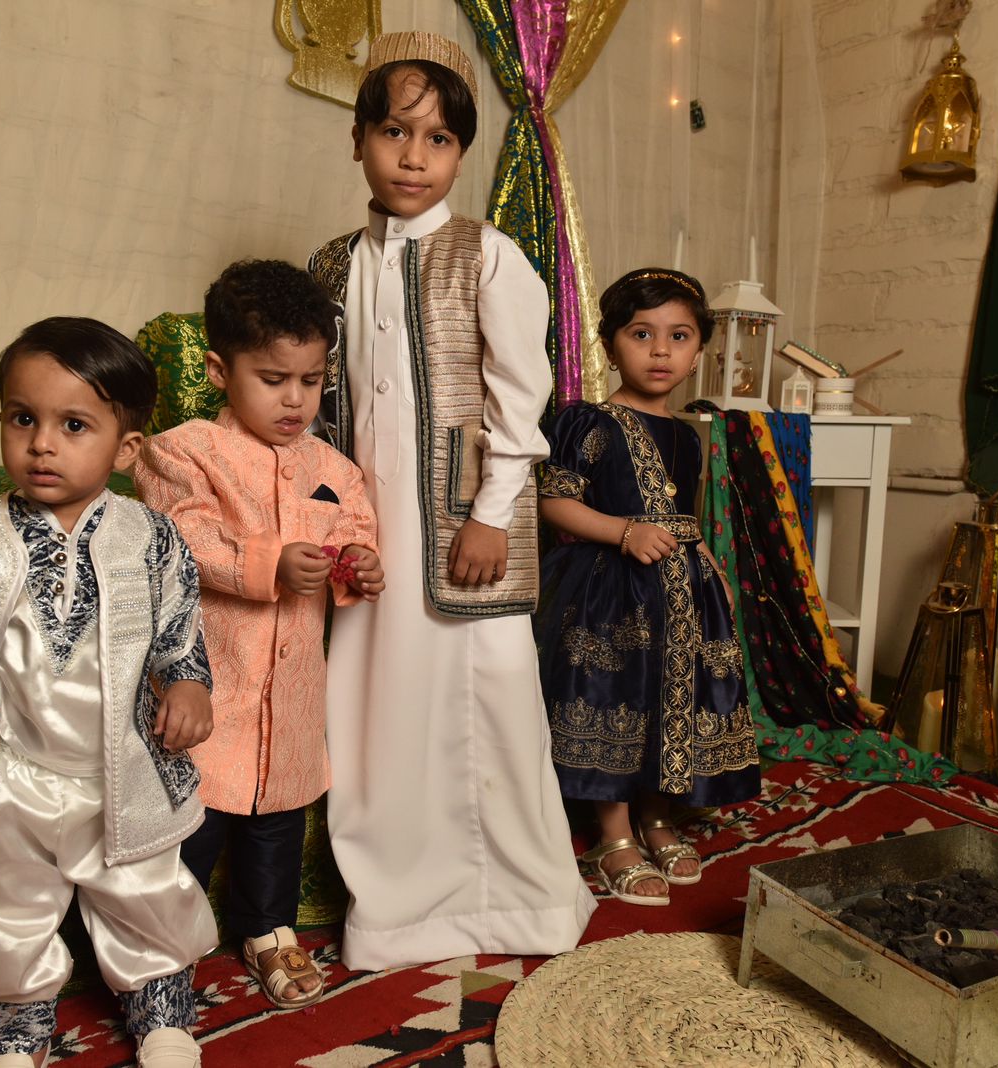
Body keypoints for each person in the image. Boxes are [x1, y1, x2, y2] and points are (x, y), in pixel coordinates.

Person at [307, 30, 595, 971]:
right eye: (395, 132)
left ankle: (525, 902)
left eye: (437, 139)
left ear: (461, 154)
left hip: (468, 526)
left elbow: (521, 398)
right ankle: (396, 908)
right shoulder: (330, 266)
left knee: (493, 706)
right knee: (375, 711)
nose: (413, 157)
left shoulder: (489, 254)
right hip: (367, 532)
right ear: (358, 139)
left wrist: (488, 515)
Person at [0, 317, 216, 1068]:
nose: (41, 444)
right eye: (22, 418)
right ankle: (16, 1016)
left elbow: (180, 628)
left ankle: (161, 1004)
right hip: (8, 769)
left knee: (145, 890)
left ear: (126, 448)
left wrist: (190, 684)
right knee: (3, 901)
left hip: (121, 765)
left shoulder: (151, 537)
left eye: (74, 425)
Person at [134, 259, 383, 1007]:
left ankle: (268, 927)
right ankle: (160, 944)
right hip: (211, 680)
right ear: (220, 370)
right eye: (273, 379)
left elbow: (354, 528)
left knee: (278, 815)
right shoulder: (181, 452)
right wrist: (269, 562)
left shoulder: (332, 465)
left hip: (292, 689)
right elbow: (181, 537)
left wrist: (360, 563)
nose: (295, 399)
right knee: (192, 817)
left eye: (311, 380)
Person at [534, 269, 761, 906]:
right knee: (617, 697)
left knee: (672, 696)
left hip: (684, 591)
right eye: (641, 334)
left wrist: (704, 562)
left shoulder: (688, 436)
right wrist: (624, 531)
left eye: (678, 336)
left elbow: (680, 514)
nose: (660, 351)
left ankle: (657, 817)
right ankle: (613, 834)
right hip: (610, 592)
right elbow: (555, 503)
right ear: (610, 346)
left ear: (699, 352)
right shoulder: (587, 421)